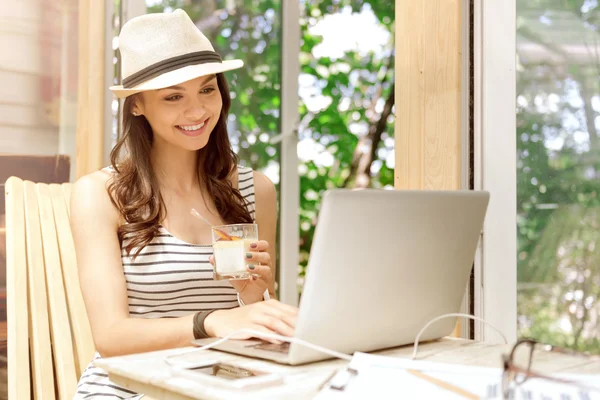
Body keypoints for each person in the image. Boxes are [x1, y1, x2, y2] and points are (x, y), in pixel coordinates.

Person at [71, 9, 298, 399]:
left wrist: (253, 294)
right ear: (137, 105)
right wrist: (209, 322)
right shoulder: (101, 195)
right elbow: (110, 336)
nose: (197, 112)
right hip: (128, 387)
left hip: (219, 382)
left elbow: (252, 313)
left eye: (207, 90)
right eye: (174, 96)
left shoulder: (254, 189)